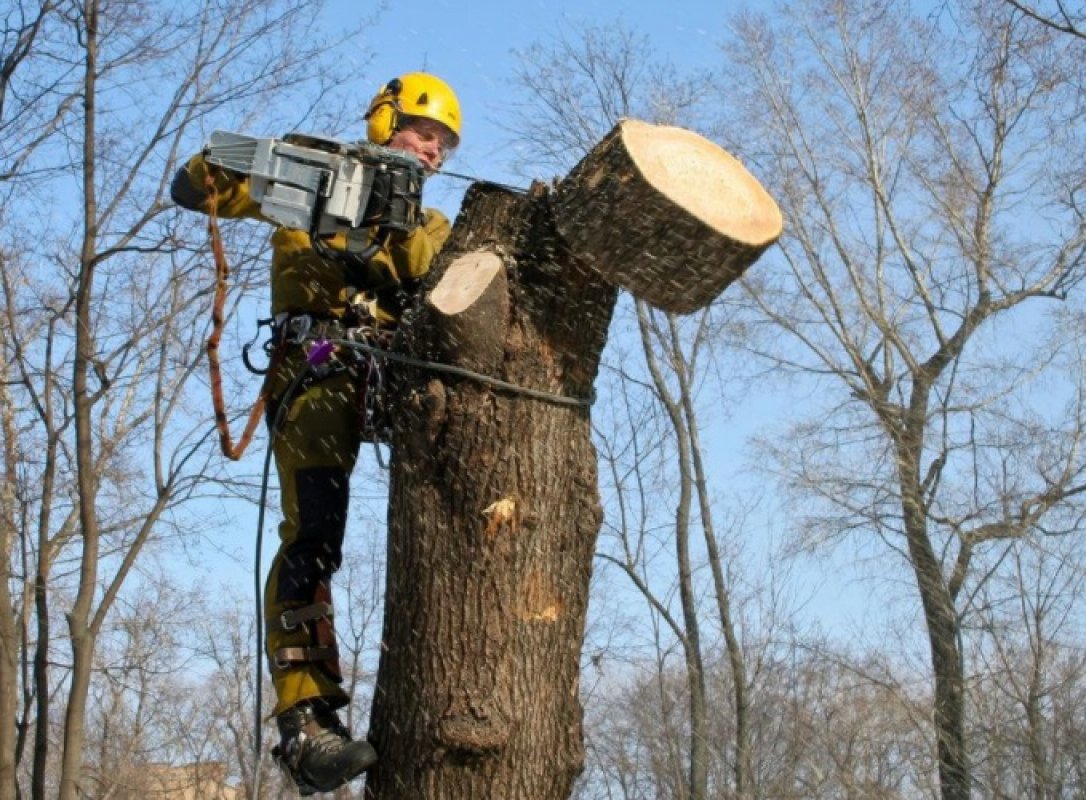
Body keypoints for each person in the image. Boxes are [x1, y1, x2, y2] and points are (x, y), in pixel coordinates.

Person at [171, 72, 461, 795]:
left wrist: (389, 242)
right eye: (424, 132)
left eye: (445, 144)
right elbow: (195, 188)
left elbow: (444, 288)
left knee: (465, 495)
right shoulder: (310, 190)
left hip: (398, 376)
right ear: (385, 119)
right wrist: (265, 163)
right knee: (314, 535)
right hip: (321, 369)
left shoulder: (431, 228)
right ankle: (306, 725)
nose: (434, 150)